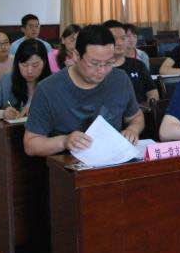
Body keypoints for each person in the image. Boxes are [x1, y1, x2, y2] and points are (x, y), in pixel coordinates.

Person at [23, 25, 144, 157]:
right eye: (94, 64)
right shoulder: (48, 89)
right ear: (76, 55)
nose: (102, 70)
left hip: (114, 161)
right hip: (68, 165)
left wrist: (133, 129)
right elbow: (30, 144)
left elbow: (136, 117)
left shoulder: (120, 79)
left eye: (109, 63)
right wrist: (64, 141)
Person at [0, 39, 52, 121]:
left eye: (35, 65)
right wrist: (3, 113)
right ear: (17, 64)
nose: (29, 71)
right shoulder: (7, 81)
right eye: (24, 65)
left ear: (44, 63)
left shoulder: (53, 83)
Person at [104, 20, 158, 104]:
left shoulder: (138, 65)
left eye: (123, 38)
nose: (120, 43)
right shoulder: (99, 69)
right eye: (114, 39)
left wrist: (150, 105)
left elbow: (152, 91)